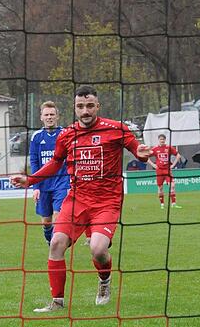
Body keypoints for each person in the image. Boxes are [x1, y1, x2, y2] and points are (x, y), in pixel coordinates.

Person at [10, 85, 152, 313]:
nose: (85, 111)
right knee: (56, 244)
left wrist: (140, 151)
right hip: (77, 200)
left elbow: (136, 148)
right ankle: (56, 302)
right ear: (74, 108)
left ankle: (104, 281)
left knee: (97, 249)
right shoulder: (67, 135)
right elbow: (56, 163)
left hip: (107, 201)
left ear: (98, 106)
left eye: (89, 106)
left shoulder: (116, 129)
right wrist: (30, 180)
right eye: (80, 106)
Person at [29, 101, 70, 244]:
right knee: (46, 221)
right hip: (43, 185)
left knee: (58, 219)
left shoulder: (65, 134)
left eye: (52, 114)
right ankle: (50, 242)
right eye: (46, 114)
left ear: (57, 116)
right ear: (41, 117)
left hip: (62, 184)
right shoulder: (36, 137)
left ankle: (56, 248)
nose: (49, 117)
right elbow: (34, 163)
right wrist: (35, 187)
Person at [147, 133, 183, 210]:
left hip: (167, 170)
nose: (162, 140)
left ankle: (173, 203)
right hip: (159, 170)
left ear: (165, 140)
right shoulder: (155, 149)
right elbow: (146, 156)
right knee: (160, 188)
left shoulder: (169, 147)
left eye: (163, 139)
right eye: (161, 139)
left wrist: (173, 165)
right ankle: (162, 204)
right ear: (158, 140)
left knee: (172, 185)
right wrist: (153, 165)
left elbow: (178, 155)